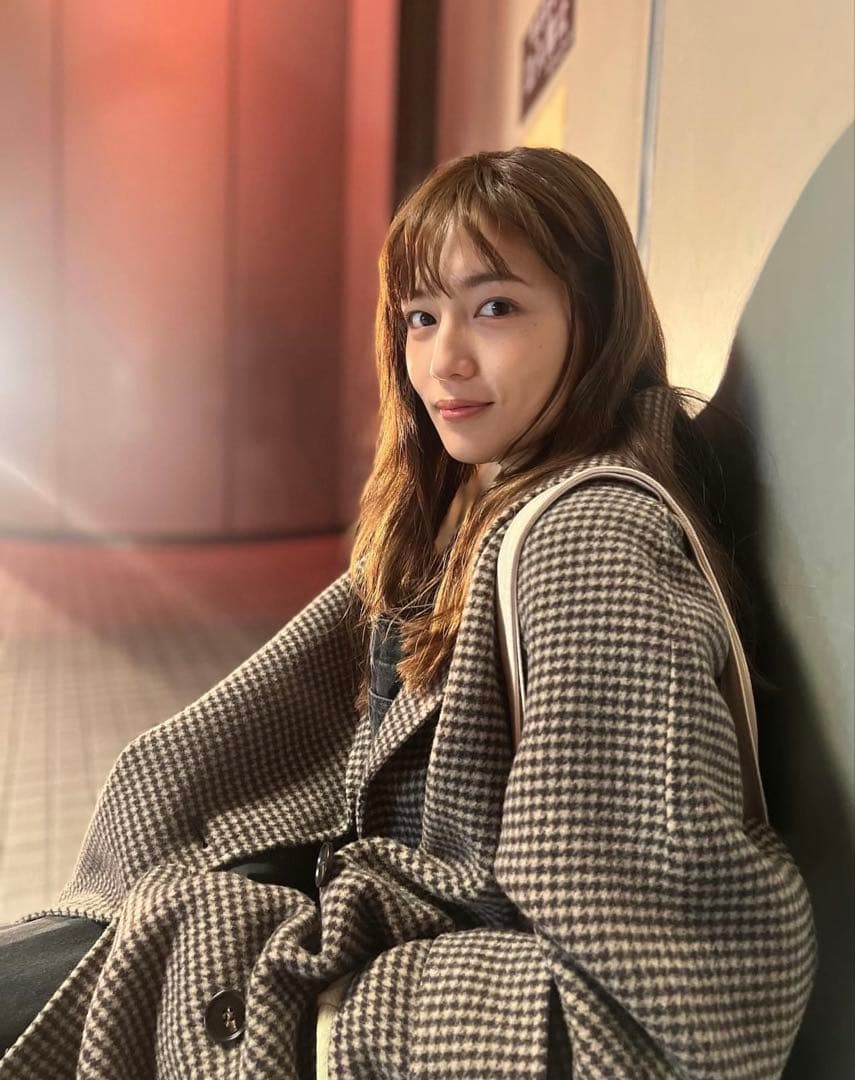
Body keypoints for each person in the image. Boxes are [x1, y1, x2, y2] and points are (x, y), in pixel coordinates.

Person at [0, 147, 816, 1078]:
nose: (443, 361)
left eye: (495, 307)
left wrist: (329, 1027)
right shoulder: (473, 498)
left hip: (355, 987)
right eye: (420, 317)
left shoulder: (585, 546)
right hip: (325, 919)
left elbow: (669, 1027)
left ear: (593, 317)